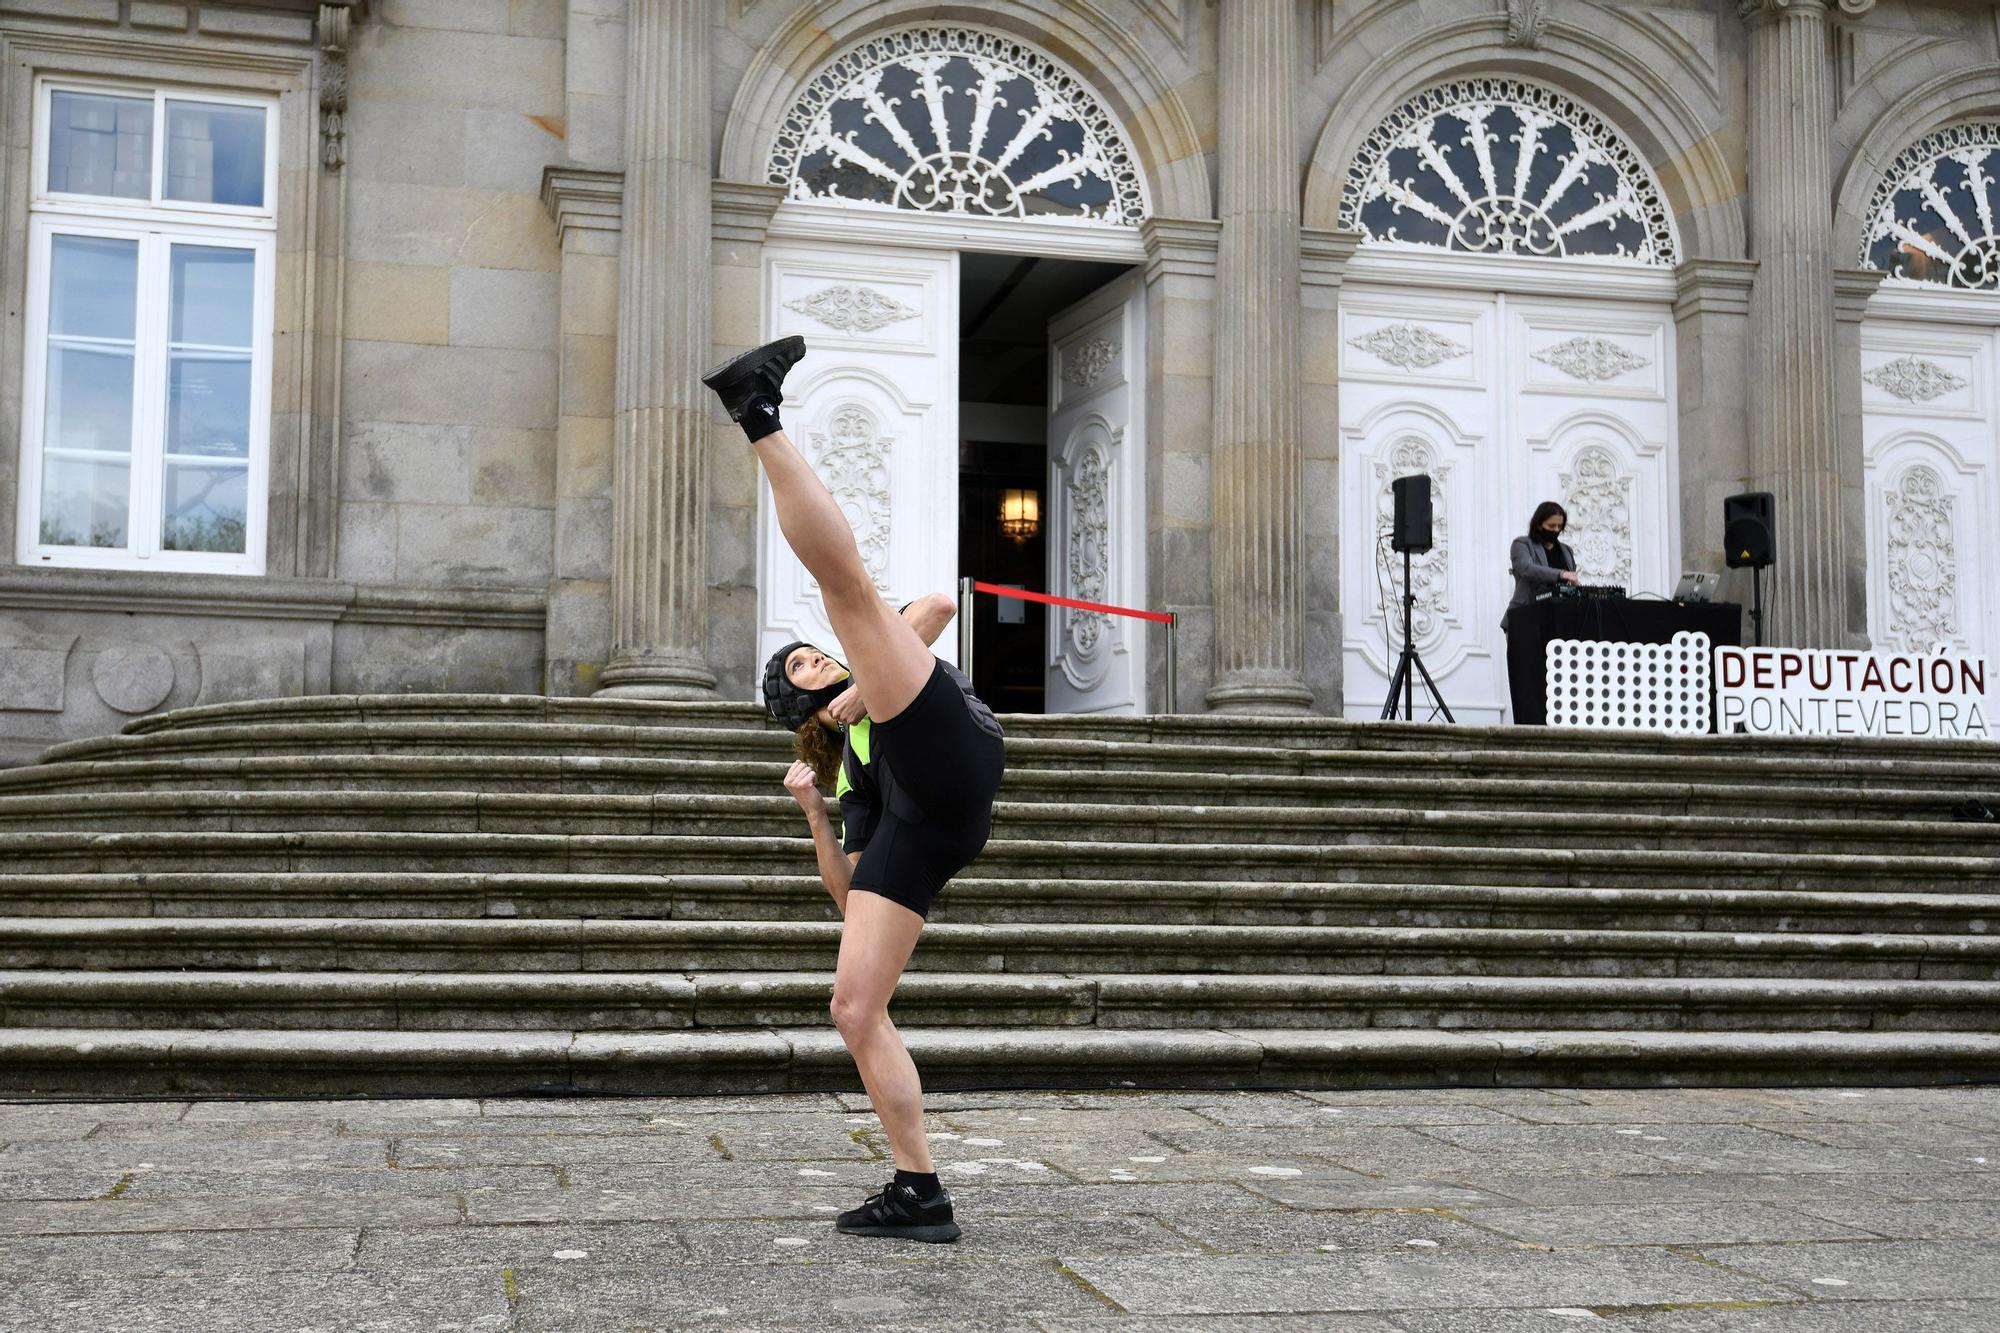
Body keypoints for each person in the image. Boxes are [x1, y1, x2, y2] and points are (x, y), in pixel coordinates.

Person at [701, 335, 1006, 1245]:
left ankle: (756, 411)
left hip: (958, 752)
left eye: (811, 654)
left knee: (854, 598)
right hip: (931, 810)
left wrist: (855, 689)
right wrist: (813, 811)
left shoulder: (868, 685)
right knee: (852, 1006)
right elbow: (853, 892)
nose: (817, 656)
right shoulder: (855, 762)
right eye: (803, 666)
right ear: (803, 700)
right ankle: (920, 1191)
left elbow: (936, 610)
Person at [1502, 501, 1582, 725]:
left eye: (1559, 527)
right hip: (1525, 618)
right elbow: (1527, 569)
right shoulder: (1521, 545)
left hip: (1556, 620)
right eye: (1551, 526)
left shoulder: (1566, 551)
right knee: (1529, 678)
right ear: (1538, 524)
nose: (1556, 531)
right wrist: (1561, 575)